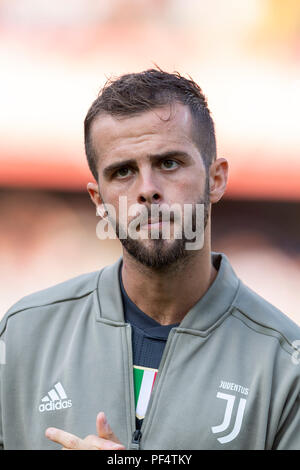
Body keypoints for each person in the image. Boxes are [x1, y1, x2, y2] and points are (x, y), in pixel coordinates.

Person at [0, 68, 299, 450]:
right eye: (123, 171)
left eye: (169, 163)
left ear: (216, 179)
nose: (147, 190)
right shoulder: (24, 335)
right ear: (98, 200)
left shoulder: (285, 363)